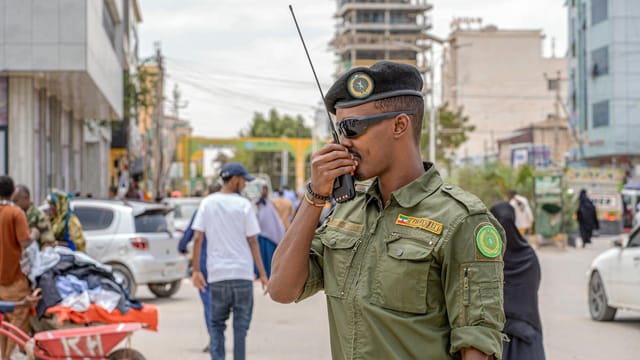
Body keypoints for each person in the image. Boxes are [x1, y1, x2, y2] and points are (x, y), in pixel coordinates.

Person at [269, 61, 506, 359]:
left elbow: (477, 347)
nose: (343, 144)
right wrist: (315, 196)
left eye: (352, 128)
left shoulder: (461, 220)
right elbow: (281, 289)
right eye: (338, 131)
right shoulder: (347, 210)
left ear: (399, 125)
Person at [190, 162, 268, 360]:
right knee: (240, 329)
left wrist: (196, 270)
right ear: (235, 180)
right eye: (243, 181)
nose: (244, 185)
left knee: (216, 326)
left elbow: (197, 237)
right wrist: (264, 275)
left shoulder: (207, 203)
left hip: (217, 276)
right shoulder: (244, 205)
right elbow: (253, 241)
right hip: (242, 275)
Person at [490, 202, 545, 360]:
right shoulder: (528, 255)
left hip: (494, 335)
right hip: (527, 333)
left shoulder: (486, 256)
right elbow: (534, 286)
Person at [178, 182, 221, 353]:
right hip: (224, 265)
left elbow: (190, 234)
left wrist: (181, 247)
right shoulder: (232, 210)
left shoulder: (203, 210)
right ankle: (219, 337)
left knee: (209, 303)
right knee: (221, 303)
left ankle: (215, 339)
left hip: (204, 264)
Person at [0, 176, 35, 359]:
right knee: (17, 320)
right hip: (14, 280)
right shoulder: (16, 214)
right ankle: (6, 357)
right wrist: (35, 234)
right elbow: (24, 242)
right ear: (13, 192)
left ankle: (3, 356)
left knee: (4, 324)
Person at [254, 185, 285, 278]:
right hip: (261, 235)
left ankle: (269, 273)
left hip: (270, 236)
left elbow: (274, 219)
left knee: (269, 256)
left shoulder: (270, 203)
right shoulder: (258, 203)